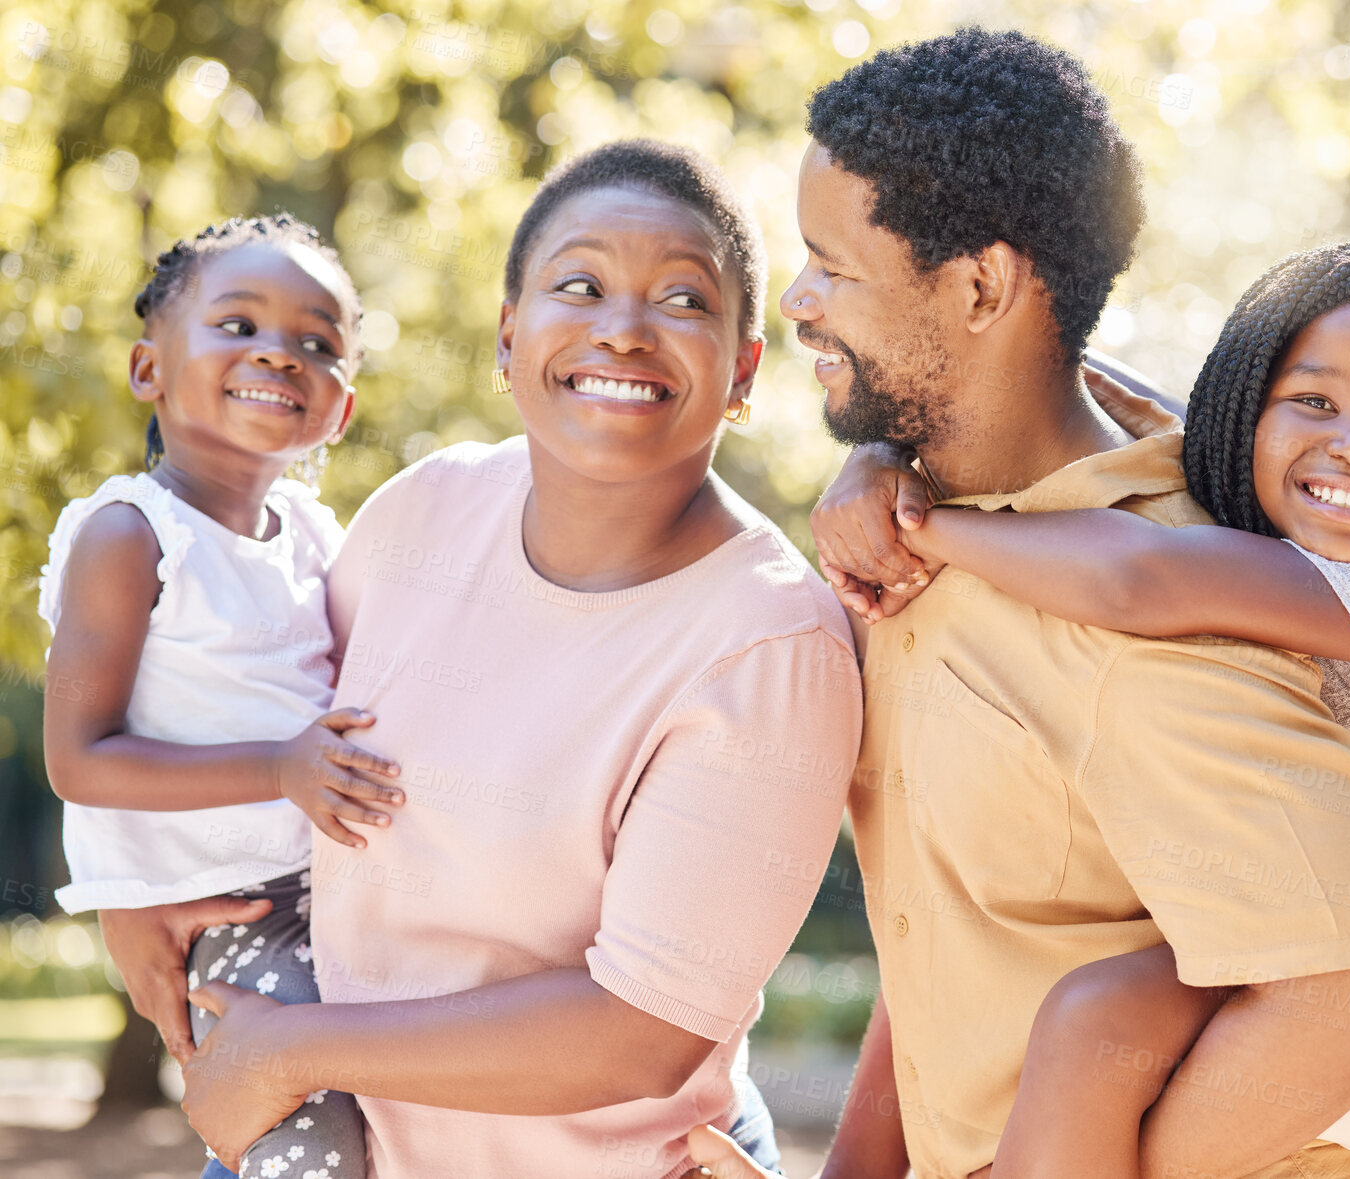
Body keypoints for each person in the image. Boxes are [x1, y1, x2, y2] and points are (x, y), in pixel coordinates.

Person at [693, 30, 1350, 1179]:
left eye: (832, 264)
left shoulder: (1156, 619)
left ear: (981, 285)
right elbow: (955, 949)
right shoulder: (921, 533)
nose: (795, 300)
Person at [142, 140, 863, 1178]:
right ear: (509, 333)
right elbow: (260, 725)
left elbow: (638, 1031)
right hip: (327, 1145)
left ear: (743, 367)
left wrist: (290, 1050)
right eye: (578, 285)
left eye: (682, 300)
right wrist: (138, 900)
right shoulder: (423, 511)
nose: (621, 327)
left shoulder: (769, 648)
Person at [808, 241, 1350, 1179]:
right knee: (1090, 1031)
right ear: (1248, 418)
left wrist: (921, 526)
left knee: (1092, 1026)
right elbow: (1097, 399)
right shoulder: (1259, 533)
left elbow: (1138, 577)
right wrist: (882, 449)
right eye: (1311, 402)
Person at [38, 214, 387, 1178]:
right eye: (239, 325)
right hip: (225, 912)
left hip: (344, 893)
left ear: (341, 408)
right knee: (302, 1131)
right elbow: (79, 758)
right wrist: (281, 768)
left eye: (316, 342)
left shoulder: (318, 539)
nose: (280, 350)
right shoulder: (133, 536)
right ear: (150, 369)